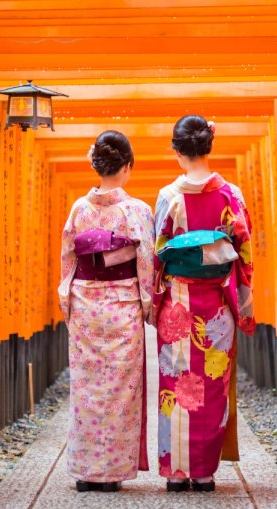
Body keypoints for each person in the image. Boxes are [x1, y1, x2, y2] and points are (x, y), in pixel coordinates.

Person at [153, 115, 255, 492]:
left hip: (178, 302)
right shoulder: (232, 195)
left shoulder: (168, 197)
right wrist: (243, 299)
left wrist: (154, 299)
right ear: (208, 146)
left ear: (178, 151)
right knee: (212, 383)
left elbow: (158, 252)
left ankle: (176, 472)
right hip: (215, 307)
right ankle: (205, 472)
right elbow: (243, 255)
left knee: (176, 381)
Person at [58, 130, 154, 493]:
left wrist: (67, 302)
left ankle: (86, 471)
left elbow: (68, 260)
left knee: (86, 388)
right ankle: (110, 472)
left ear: (96, 165)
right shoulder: (137, 211)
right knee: (119, 389)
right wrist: (148, 306)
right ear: (127, 167)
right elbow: (146, 264)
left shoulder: (79, 209)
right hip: (122, 305)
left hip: (85, 304)